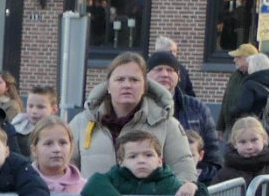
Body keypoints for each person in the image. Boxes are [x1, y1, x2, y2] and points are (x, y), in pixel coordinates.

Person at [77, 52, 201, 189]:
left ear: (145, 86)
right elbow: (66, 169)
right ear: (108, 86)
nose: (127, 85)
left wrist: (184, 189)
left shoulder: (167, 124)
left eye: (134, 80)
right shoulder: (82, 122)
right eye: (120, 79)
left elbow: (183, 168)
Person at [219, 114, 269, 189]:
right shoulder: (224, 174)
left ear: (264, 139)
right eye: (242, 142)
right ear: (235, 144)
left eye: (254, 140)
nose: (249, 147)